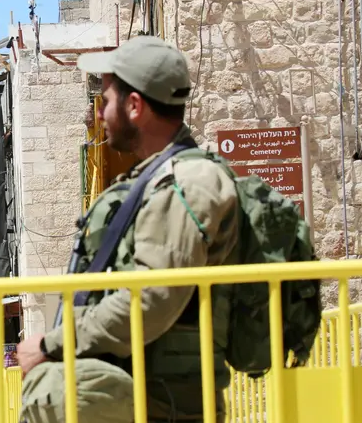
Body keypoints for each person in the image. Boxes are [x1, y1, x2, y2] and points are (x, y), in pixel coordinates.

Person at [16, 36, 241, 422]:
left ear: (135, 106)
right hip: (137, 389)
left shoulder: (188, 183)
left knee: (53, 392)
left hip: (162, 403)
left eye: (106, 101)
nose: (98, 115)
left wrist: (53, 344)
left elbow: (150, 299)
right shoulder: (153, 179)